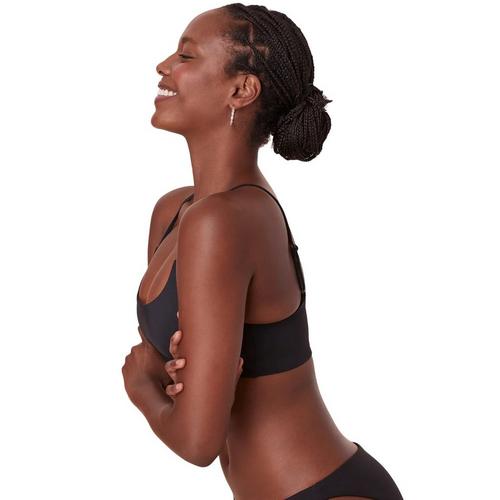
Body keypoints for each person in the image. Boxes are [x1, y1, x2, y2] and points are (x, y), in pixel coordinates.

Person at [122, 4, 404, 499]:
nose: (164, 66)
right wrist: (178, 384)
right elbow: (185, 395)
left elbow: (196, 439)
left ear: (242, 89)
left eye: (186, 55)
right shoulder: (176, 211)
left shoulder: (223, 221)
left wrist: (141, 388)